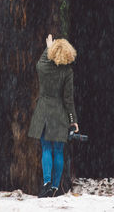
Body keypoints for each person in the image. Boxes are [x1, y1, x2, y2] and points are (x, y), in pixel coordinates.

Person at [28, 34, 79, 198]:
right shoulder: (68, 72)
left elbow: (42, 61)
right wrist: (73, 121)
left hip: (43, 111)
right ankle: (55, 188)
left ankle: (46, 183)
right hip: (60, 114)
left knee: (46, 149)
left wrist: (48, 47)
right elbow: (68, 99)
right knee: (58, 151)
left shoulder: (43, 67)